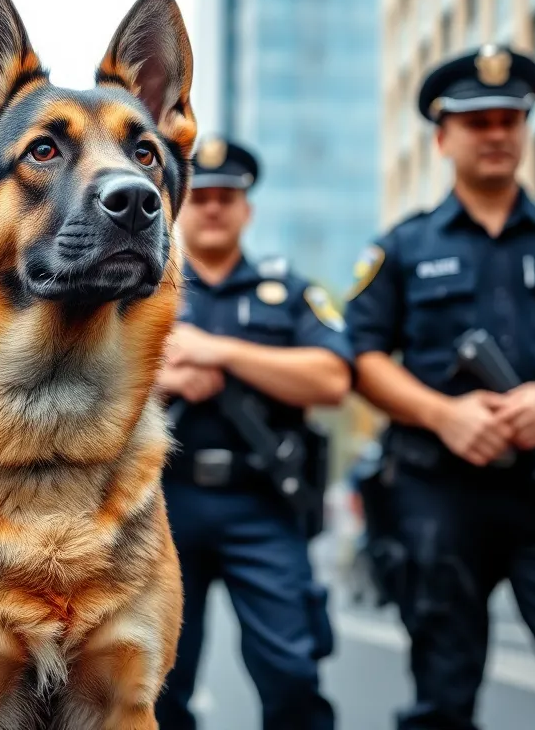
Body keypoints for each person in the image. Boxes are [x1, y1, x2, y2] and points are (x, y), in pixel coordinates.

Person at [344, 43, 535, 730]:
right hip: (439, 497)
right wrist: (441, 414)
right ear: (443, 137)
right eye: (477, 121)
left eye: (509, 119)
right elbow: (360, 355)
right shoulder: (404, 247)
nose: (496, 134)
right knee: (442, 697)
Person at [153, 137, 352, 730]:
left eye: (227, 197)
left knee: (292, 674)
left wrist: (221, 352)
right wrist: (167, 376)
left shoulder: (288, 292)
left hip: (263, 504)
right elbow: (93, 384)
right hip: (161, 504)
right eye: (202, 196)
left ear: (247, 210)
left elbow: (333, 378)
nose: (213, 207)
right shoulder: (139, 289)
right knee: (154, 682)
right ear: (178, 206)